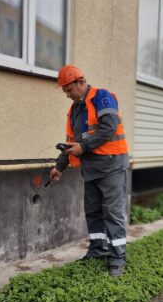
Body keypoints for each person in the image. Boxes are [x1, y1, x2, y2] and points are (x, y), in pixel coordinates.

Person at [49, 65, 129, 277]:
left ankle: (117, 258)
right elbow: (70, 143)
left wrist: (83, 147)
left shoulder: (102, 97)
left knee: (112, 213)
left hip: (111, 166)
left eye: (69, 90)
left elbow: (108, 128)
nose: (68, 95)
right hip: (91, 169)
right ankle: (97, 250)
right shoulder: (74, 110)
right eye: (65, 91)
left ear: (81, 82)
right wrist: (59, 166)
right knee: (93, 212)